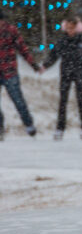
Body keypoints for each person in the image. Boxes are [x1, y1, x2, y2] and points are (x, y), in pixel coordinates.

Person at [42, 15, 82, 140]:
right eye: (68, 28)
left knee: (80, 99)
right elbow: (53, 55)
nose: (70, 30)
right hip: (65, 73)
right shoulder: (62, 42)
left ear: (77, 28)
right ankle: (60, 128)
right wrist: (45, 66)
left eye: (72, 28)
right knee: (63, 101)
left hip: (80, 73)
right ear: (64, 28)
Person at [0, 9, 44, 140]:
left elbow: (23, 48)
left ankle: (29, 125)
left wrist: (34, 65)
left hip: (10, 72)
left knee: (18, 101)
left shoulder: (11, 30)